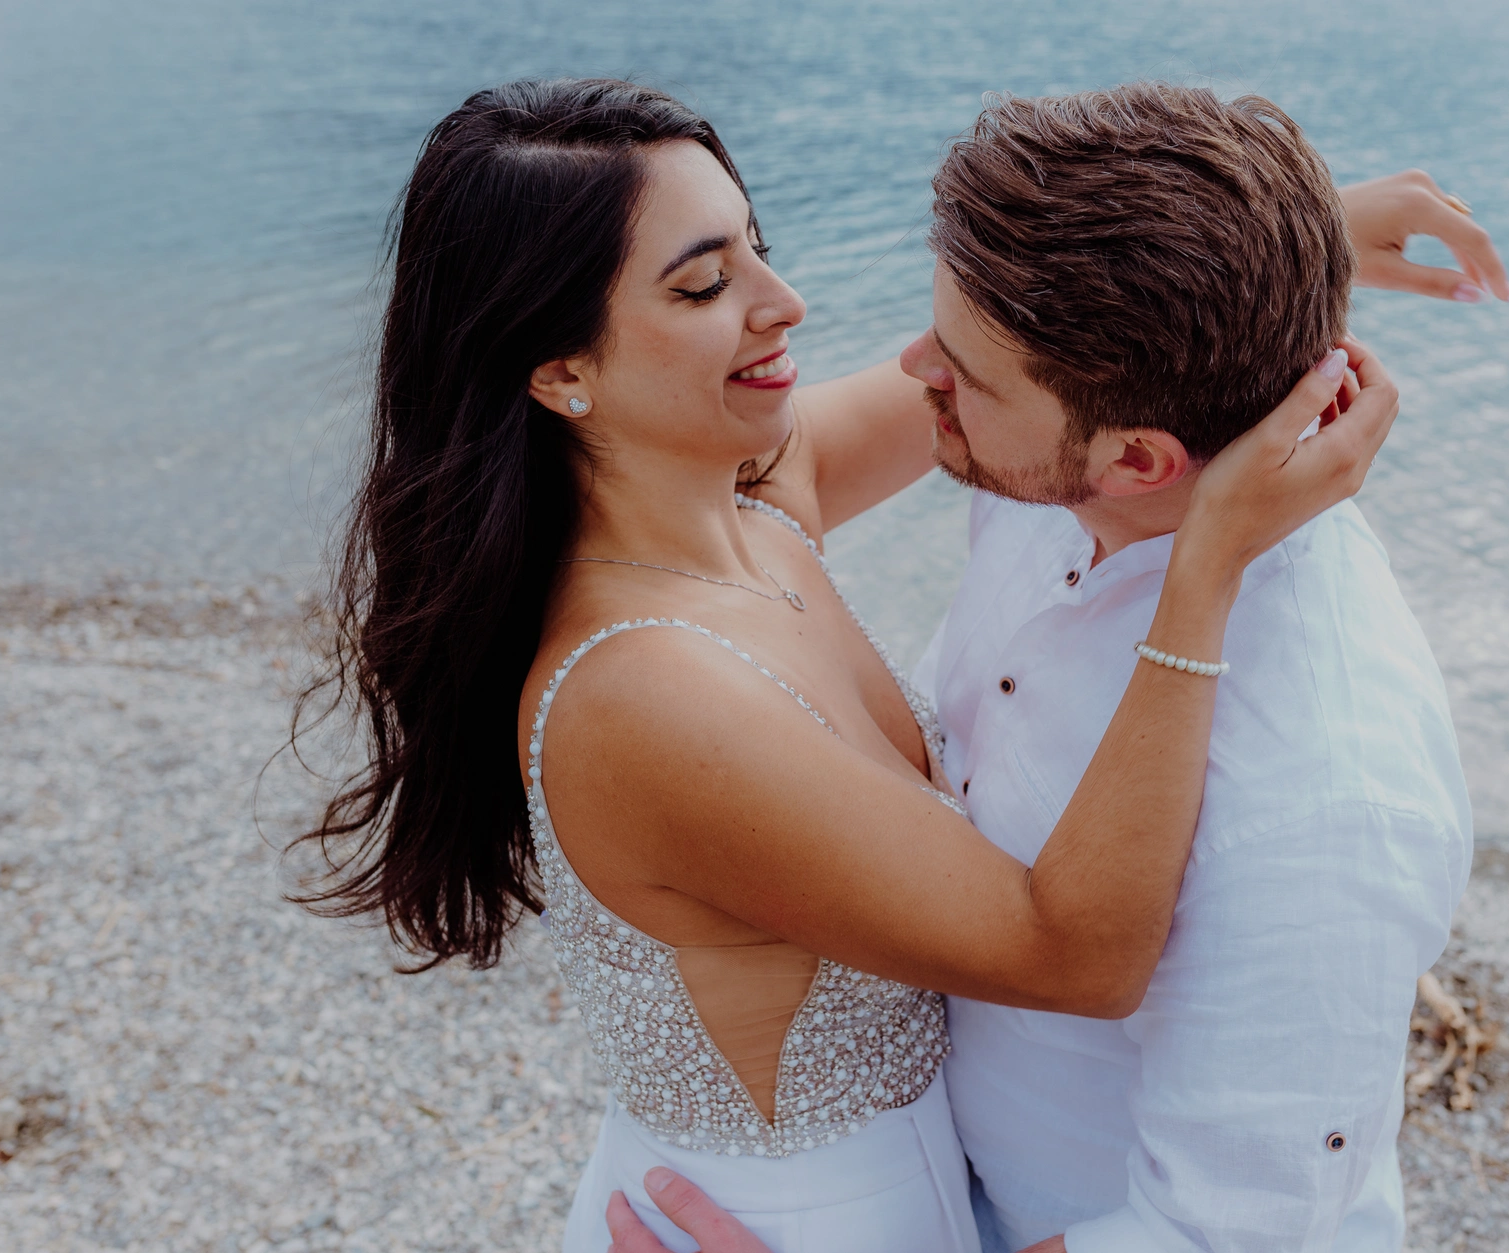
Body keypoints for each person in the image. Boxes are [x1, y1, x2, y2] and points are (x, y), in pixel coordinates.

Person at [294, 78, 1405, 1253]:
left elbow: (1023, 371)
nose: (784, 302)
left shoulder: (754, 500)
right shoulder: (645, 693)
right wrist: (1207, 565)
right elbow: (1072, 952)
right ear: (559, 369)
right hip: (787, 1221)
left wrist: (1272, 250)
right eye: (705, 283)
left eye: (756, 248)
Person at [603, 84, 1489, 1253]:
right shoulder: (1046, 487)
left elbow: (1218, 1236)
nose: (913, 370)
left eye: (963, 369)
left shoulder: (1322, 796)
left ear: (1135, 456)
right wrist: (1280, 235)